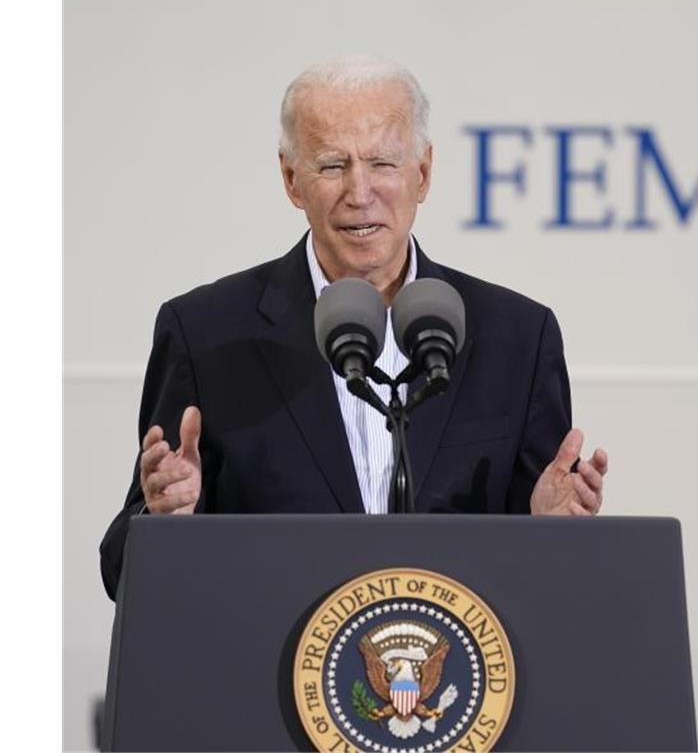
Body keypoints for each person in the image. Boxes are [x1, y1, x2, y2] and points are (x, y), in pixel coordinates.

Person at [98, 56, 608, 600]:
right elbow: (120, 569)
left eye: (383, 163)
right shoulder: (206, 334)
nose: (359, 192)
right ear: (292, 180)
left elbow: (554, 587)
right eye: (332, 165)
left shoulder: (518, 338)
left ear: (424, 174)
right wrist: (166, 518)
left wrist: (550, 529)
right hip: (271, 671)